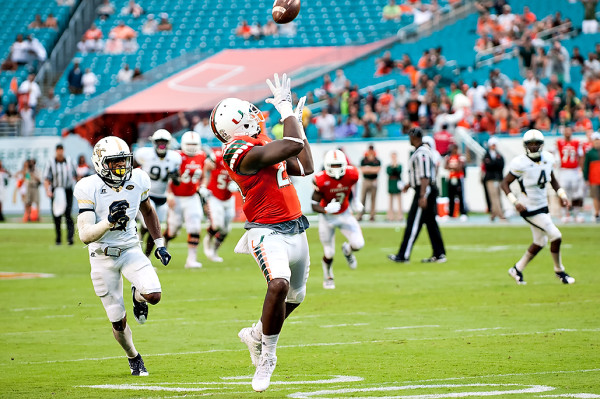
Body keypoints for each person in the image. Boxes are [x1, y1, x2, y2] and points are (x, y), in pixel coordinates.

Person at [209, 73, 314, 392]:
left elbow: (305, 165)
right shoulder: (235, 152)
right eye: (247, 114)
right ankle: (268, 356)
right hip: (265, 231)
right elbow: (294, 144)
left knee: (297, 295)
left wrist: (293, 119)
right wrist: (287, 112)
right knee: (278, 284)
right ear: (234, 126)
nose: (255, 115)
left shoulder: (263, 142)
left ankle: (255, 334)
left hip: (295, 225)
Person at [74, 136, 172, 377]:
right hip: (101, 256)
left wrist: (159, 243)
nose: (120, 167)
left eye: (123, 161)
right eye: (114, 162)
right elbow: (85, 236)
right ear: (100, 163)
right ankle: (133, 357)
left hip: (130, 249)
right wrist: (108, 221)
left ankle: (138, 294)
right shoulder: (87, 186)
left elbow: (147, 209)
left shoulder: (138, 178)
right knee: (118, 321)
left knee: (154, 295)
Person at [501, 129, 575, 285]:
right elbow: (504, 183)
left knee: (540, 242)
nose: (533, 147)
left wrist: (562, 196)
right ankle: (559, 271)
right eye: (530, 144)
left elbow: (552, 180)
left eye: (536, 144)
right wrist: (515, 202)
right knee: (556, 235)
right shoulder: (520, 163)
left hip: (543, 206)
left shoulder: (548, 158)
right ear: (525, 146)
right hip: (528, 208)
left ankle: (517, 269)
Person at [388, 127, 446, 263]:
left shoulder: (422, 153)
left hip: (424, 190)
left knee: (413, 223)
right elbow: (420, 174)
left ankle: (403, 255)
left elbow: (425, 176)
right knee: (431, 223)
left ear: (415, 137)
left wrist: (422, 195)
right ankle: (439, 254)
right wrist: (409, 185)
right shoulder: (421, 152)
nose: (409, 139)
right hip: (424, 189)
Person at [312, 150, 364, 289]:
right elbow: (313, 205)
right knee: (329, 252)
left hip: (345, 213)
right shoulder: (321, 180)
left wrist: (356, 200)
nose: (335, 168)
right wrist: (326, 209)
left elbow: (355, 182)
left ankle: (347, 250)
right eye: (332, 166)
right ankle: (328, 275)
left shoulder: (351, 174)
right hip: (327, 218)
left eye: (338, 165)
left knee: (359, 244)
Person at [134, 129, 182, 257]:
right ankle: (139, 235)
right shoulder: (145, 154)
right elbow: (131, 170)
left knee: (155, 228)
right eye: (159, 141)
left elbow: (178, 181)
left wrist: (175, 177)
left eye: (164, 142)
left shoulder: (174, 157)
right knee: (148, 225)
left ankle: (147, 256)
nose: (162, 144)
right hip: (147, 195)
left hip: (162, 197)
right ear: (154, 142)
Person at [164, 131, 206, 268]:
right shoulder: (176, 156)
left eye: (194, 144)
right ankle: (164, 244)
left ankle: (191, 260)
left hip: (192, 197)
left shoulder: (202, 155)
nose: (192, 147)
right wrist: (168, 194)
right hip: (176, 197)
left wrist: (202, 186)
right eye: (189, 144)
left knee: (195, 226)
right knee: (173, 230)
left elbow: (203, 175)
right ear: (183, 144)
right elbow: (167, 177)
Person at [201, 148, 237, 263]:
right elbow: (206, 167)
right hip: (215, 196)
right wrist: (204, 184)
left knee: (225, 230)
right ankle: (207, 240)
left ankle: (215, 251)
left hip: (228, 197)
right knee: (217, 224)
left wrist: (236, 183)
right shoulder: (217, 157)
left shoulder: (238, 160)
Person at [44, 144, 77, 245]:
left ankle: (70, 238)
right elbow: (46, 178)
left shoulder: (70, 161)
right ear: (56, 151)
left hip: (67, 190)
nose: (60, 152)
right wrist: (47, 190)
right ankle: (58, 238)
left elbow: (76, 176)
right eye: (58, 150)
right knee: (56, 215)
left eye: (61, 150)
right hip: (56, 190)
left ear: (63, 150)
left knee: (68, 214)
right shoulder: (51, 162)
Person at [555, 125, 585, 223]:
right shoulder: (559, 142)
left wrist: (581, 169)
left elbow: (581, 156)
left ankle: (577, 214)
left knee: (577, 193)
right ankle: (565, 213)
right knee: (563, 193)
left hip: (574, 170)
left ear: (571, 132)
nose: (567, 133)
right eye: (566, 131)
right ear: (563, 132)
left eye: (569, 131)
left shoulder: (576, 142)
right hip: (563, 171)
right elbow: (552, 153)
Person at [482, 137, 505, 221]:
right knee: (493, 196)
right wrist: (495, 163)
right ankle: (500, 214)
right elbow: (488, 166)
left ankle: (494, 213)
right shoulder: (487, 155)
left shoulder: (498, 155)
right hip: (490, 179)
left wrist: (493, 164)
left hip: (498, 178)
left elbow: (501, 165)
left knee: (498, 196)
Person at [358, 145, 381, 221]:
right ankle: (360, 214)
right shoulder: (364, 160)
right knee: (363, 198)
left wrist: (368, 169)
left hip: (374, 180)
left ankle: (372, 215)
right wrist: (371, 169)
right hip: (366, 180)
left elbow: (377, 170)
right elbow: (363, 170)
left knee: (373, 198)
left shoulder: (377, 160)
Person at [445, 144, 467, 220]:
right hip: (451, 178)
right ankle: (450, 213)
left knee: (460, 196)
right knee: (451, 196)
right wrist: (453, 167)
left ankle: (463, 213)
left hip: (458, 178)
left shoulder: (460, 157)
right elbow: (446, 166)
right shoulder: (448, 157)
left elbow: (459, 167)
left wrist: (452, 167)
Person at [582, 132, 600, 222]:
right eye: (595, 140)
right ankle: (596, 213)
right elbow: (586, 166)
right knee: (595, 197)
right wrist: (586, 178)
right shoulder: (589, 153)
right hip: (594, 179)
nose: (597, 142)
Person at [387, 151, 403, 221]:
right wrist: (393, 166)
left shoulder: (399, 165)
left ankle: (400, 216)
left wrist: (395, 166)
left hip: (397, 183)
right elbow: (389, 172)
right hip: (391, 183)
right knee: (390, 201)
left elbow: (398, 171)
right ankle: (390, 216)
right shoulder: (389, 166)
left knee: (399, 200)